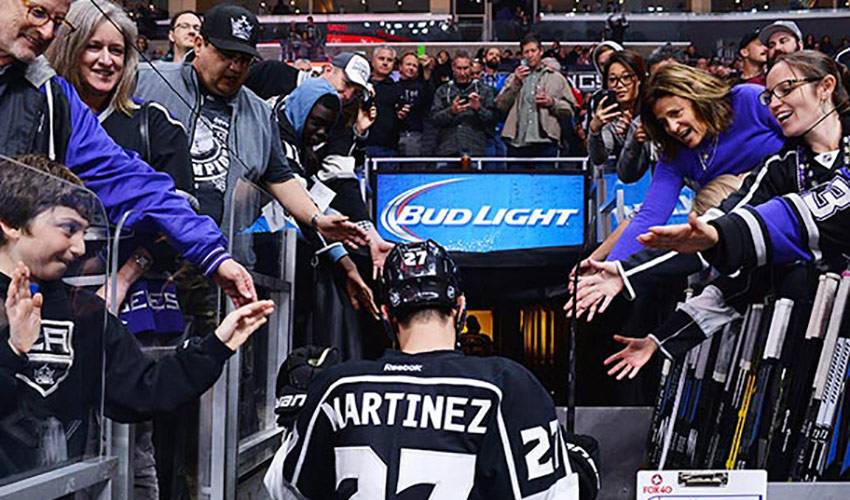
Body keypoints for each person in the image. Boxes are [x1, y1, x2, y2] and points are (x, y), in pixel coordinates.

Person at [0, 154, 274, 479]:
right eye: (67, 229)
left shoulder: (84, 312)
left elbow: (143, 390)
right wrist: (13, 351)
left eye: (83, 234)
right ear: (12, 223)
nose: (78, 248)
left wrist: (217, 345)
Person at [263, 240, 579, 499]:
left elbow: (283, 490)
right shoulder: (505, 385)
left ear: (386, 313)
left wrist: (293, 422)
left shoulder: (339, 386)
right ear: (459, 307)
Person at [602, 50, 850, 379]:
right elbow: (662, 220)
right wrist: (620, 274)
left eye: (786, 89)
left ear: (826, 86)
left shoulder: (747, 102)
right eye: (771, 94)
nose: (775, 103)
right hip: (812, 312)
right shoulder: (776, 171)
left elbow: (787, 217)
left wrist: (720, 234)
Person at [0, 0, 255, 308]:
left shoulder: (52, 97)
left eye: (58, 21)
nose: (46, 31)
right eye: (38, 12)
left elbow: (130, 182)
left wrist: (211, 254)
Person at [135, 4, 365, 247]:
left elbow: (280, 178)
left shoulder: (260, 112)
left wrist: (316, 218)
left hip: (224, 257)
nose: (235, 67)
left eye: (244, 59)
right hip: (145, 252)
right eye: (225, 55)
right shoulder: (146, 82)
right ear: (199, 44)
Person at [496, 34, 577, 158]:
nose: (530, 55)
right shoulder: (514, 78)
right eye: (526, 52)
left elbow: (570, 110)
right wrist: (516, 83)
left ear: (541, 52)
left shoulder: (556, 78)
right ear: (522, 55)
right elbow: (500, 106)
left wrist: (552, 103)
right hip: (517, 143)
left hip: (546, 143)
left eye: (533, 51)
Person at [587, 50, 651, 183]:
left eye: (626, 78)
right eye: (613, 80)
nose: (620, 85)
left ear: (639, 79)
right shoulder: (609, 112)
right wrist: (594, 129)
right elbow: (599, 158)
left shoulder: (653, 107)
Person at [431, 51, 496, 157]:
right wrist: (451, 111)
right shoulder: (442, 91)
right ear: (453, 67)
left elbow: (492, 119)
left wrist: (478, 108)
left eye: (465, 68)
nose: (462, 73)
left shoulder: (485, 91)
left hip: (474, 148)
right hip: (447, 148)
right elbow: (434, 119)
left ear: (471, 67)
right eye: (459, 68)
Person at [365, 46, 406, 160]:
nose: (385, 63)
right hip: (362, 145)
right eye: (381, 58)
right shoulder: (360, 86)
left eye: (389, 60)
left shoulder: (398, 88)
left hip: (388, 146)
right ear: (373, 61)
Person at [397, 52, 434, 157]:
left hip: (415, 136)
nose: (411, 68)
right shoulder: (392, 86)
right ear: (400, 67)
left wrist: (427, 72)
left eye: (415, 66)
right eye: (408, 64)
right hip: (393, 136)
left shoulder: (422, 87)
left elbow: (430, 100)